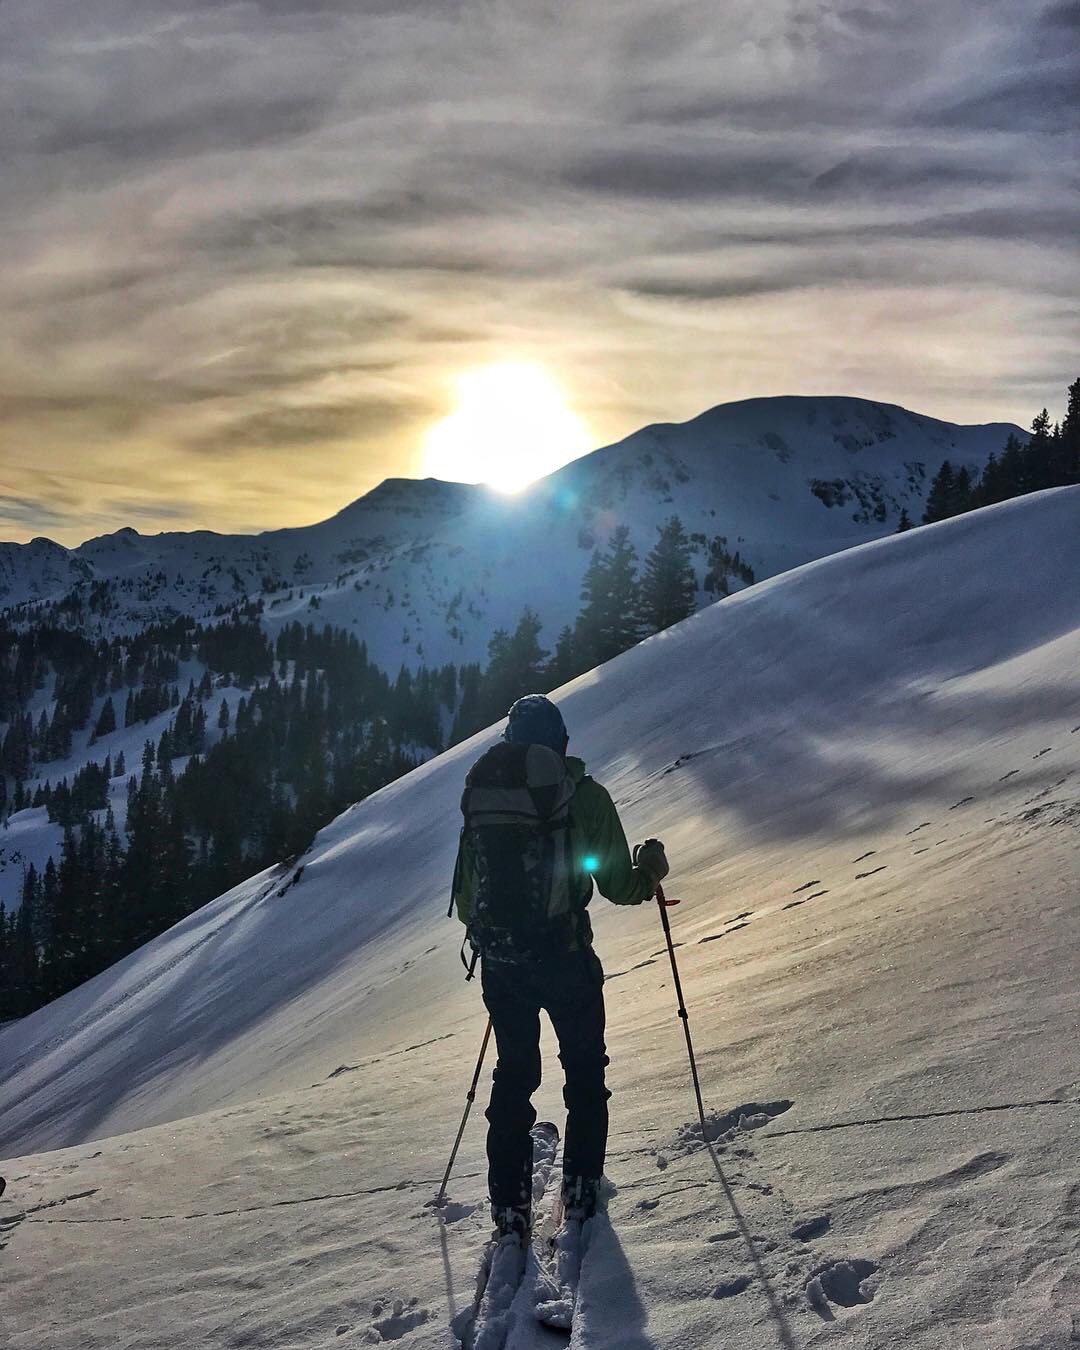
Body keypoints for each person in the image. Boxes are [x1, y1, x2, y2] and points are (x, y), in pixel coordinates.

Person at [450, 693, 669, 1244]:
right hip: (567, 956)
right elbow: (618, 886)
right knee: (585, 1073)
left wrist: (501, 931)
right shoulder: (584, 797)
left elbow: (464, 892)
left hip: (504, 965)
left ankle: (509, 1208)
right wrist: (650, 872)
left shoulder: (485, 801)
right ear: (563, 744)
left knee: (514, 1076)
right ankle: (581, 1190)